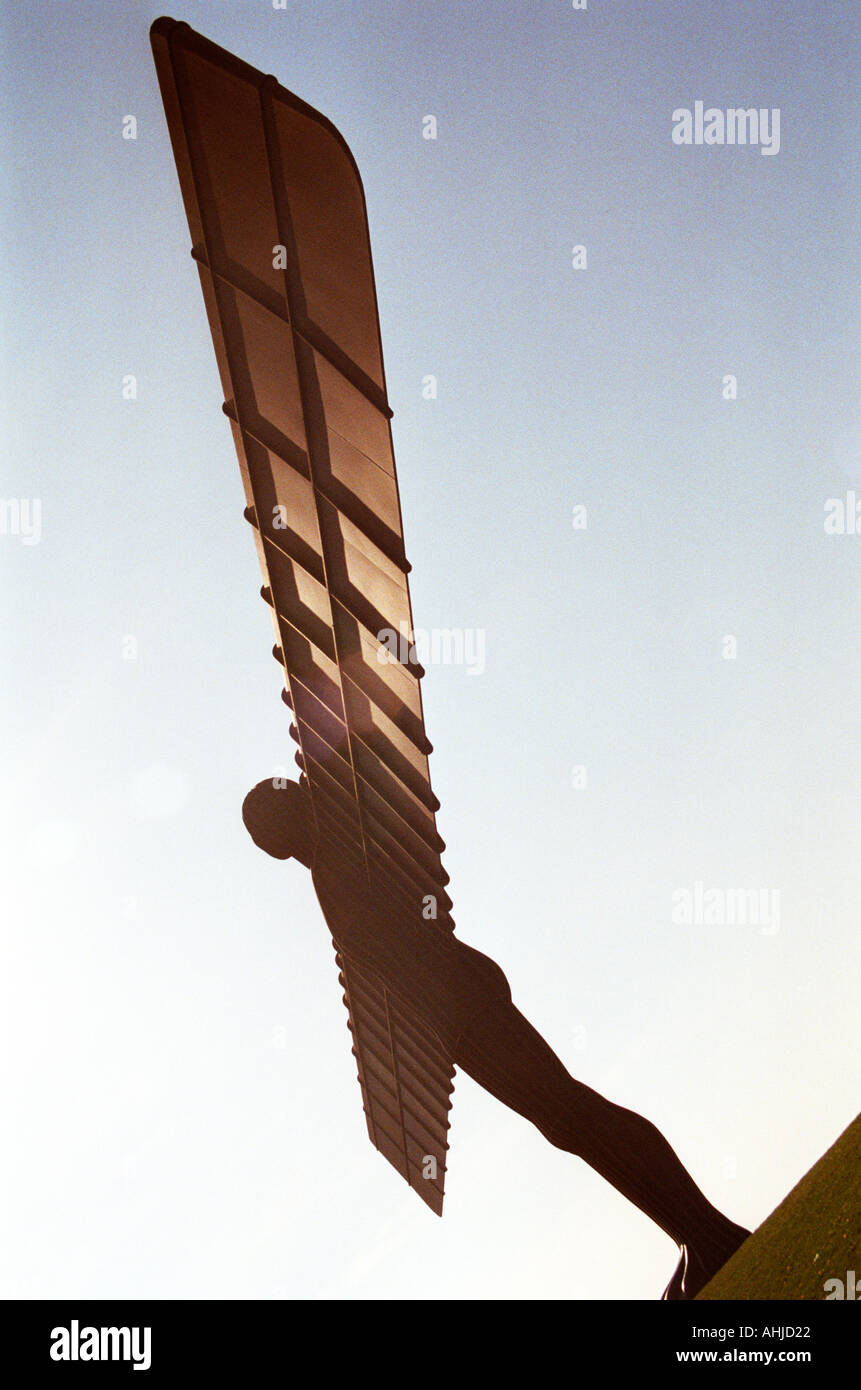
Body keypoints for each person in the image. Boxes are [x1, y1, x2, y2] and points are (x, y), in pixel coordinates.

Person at [242, 777, 750, 1298]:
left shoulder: (344, 850)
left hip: (462, 1001)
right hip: (455, 1013)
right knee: (566, 1119)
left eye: (262, 828)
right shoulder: (331, 865)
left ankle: (706, 1234)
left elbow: (404, 931)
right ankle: (692, 1233)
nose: (263, 844)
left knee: (569, 1112)